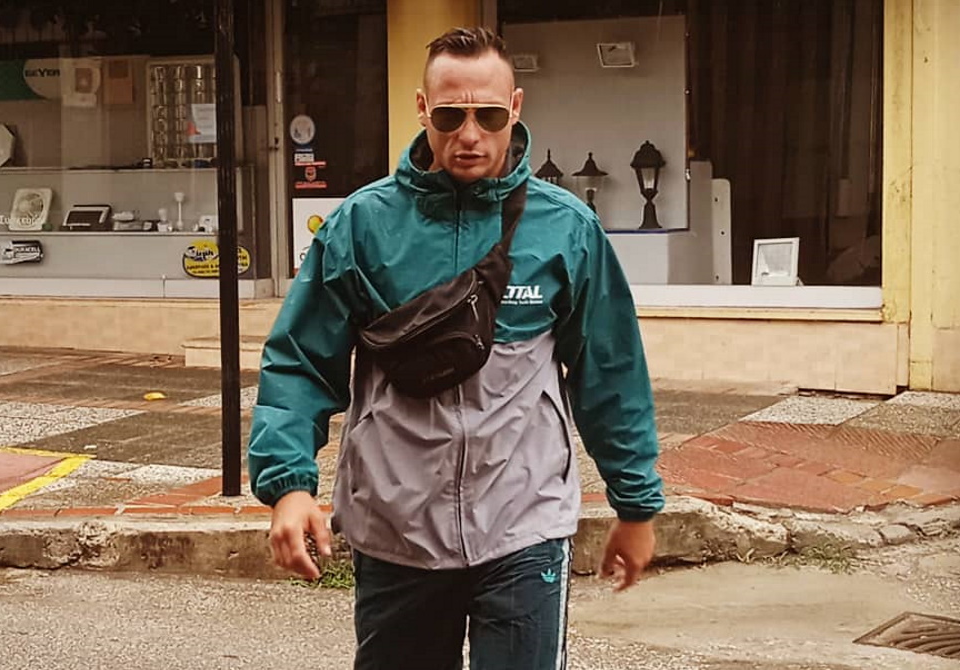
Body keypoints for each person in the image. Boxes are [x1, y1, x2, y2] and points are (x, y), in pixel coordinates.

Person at [248, 26, 664, 670]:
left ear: (515, 109)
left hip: (523, 528)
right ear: (422, 110)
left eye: (488, 115)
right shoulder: (362, 226)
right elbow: (300, 362)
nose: (470, 134)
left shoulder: (567, 229)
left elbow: (609, 372)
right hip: (396, 533)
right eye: (450, 116)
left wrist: (635, 505)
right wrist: (288, 485)